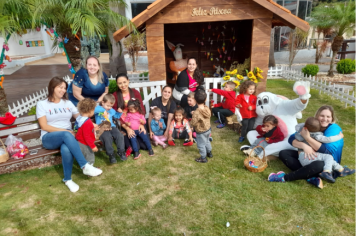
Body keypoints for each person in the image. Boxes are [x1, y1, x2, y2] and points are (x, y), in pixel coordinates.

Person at [37, 77, 102, 193]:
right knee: (67, 135)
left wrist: (92, 124)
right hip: (49, 137)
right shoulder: (42, 104)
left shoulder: (67, 103)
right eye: (60, 87)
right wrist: (65, 131)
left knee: (66, 149)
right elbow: (44, 126)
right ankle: (84, 166)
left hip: (67, 138)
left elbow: (80, 117)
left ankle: (67, 180)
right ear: (52, 87)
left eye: (65, 88)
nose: (63, 90)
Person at [271, 105, 350, 189]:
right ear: (317, 116)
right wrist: (304, 146)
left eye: (328, 116)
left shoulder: (334, 128)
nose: (325, 119)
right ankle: (310, 177)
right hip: (310, 157)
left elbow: (328, 152)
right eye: (322, 116)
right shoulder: (313, 125)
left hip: (328, 162)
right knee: (284, 153)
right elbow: (291, 138)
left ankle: (285, 177)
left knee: (318, 165)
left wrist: (307, 138)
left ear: (332, 119)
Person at [112, 73, 149, 157]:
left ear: (128, 81)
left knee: (145, 146)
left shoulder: (135, 93)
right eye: (120, 83)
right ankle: (133, 146)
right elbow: (114, 113)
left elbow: (141, 109)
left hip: (137, 121)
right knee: (132, 147)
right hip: (124, 123)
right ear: (117, 84)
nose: (123, 85)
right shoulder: (115, 95)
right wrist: (127, 128)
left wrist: (141, 124)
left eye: (124, 82)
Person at [94, 94, 126, 164]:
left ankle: (121, 151)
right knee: (107, 137)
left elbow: (116, 116)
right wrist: (103, 110)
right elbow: (94, 110)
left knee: (119, 135)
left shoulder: (111, 110)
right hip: (102, 128)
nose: (109, 108)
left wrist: (120, 112)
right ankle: (111, 154)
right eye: (107, 105)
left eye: (111, 106)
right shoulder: (98, 108)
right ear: (103, 103)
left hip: (111, 126)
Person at [190, 90, 212, 163]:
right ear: (205, 99)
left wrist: (191, 123)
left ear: (195, 100)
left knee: (201, 145)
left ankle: (203, 158)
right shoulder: (207, 108)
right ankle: (209, 153)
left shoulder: (196, 113)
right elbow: (202, 115)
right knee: (207, 141)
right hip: (208, 129)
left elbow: (193, 122)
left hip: (201, 131)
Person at [75, 98, 98, 166]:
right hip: (84, 143)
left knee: (84, 156)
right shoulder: (87, 122)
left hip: (79, 141)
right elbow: (87, 136)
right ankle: (90, 169)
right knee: (90, 156)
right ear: (90, 110)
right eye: (93, 110)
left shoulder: (80, 117)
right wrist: (93, 146)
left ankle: (85, 166)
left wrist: (93, 129)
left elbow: (83, 130)